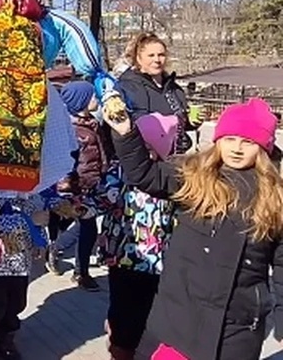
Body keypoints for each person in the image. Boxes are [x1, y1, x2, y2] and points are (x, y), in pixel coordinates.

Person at [105, 97, 283, 360]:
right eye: (230, 139)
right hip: (180, 313)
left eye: (248, 142)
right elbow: (145, 175)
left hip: (237, 322)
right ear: (218, 140)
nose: (236, 148)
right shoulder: (195, 176)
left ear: (263, 148)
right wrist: (126, 133)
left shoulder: (275, 197)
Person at [101, 113, 179, 360]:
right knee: (123, 311)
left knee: (144, 313)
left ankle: (126, 342)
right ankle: (120, 348)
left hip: (156, 263)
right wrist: (81, 206)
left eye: (146, 148)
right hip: (122, 256)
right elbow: (101, 196)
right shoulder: (118, 172)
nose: (138, 155)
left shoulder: (169, 178)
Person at [0, 195, 48, 359]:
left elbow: (40, 222)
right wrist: (29, 220)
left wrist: (40, 242)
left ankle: (5, 340)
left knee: (16, 304)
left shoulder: (30, 195)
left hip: (20, 265)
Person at [56, 81, 108, 291]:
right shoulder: (73, 130)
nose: (97, 99)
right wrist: (70, 187)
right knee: (87, 226)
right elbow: (67, 161)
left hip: (92, 184)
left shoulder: (93, 123)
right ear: (83, 101)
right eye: (93, 96)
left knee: (80, 225)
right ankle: (81, 273)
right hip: (77, 188)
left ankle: (58, 249)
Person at [118, 32, 200, 155]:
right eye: (151, 55)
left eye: (161, 55)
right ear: (139, 58)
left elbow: (178, 124)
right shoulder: (127, 86)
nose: (157, 60)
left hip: (176, 156)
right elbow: (123, 127)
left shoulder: (174, 89)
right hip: (144, 158)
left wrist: (191, 123)